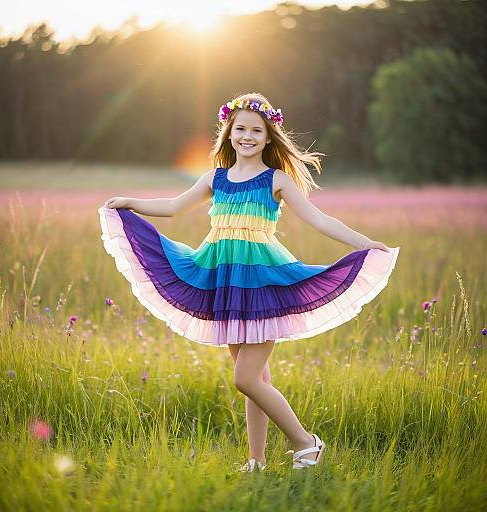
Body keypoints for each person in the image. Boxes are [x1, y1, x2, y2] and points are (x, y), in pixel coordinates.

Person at [98, 92, 400, 473]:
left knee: (245, 379)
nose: (247, 136)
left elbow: (319, 220)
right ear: (228, 133)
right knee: (257, 377)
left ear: (269, 137)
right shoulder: (216, 179)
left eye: (256, 130)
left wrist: (364, 243)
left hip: (261, 282)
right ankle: (256, 461)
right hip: (224, 281)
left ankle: (306, 443)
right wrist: (129, 201)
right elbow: (173, 207)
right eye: (240, 129)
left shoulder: (275, 180)